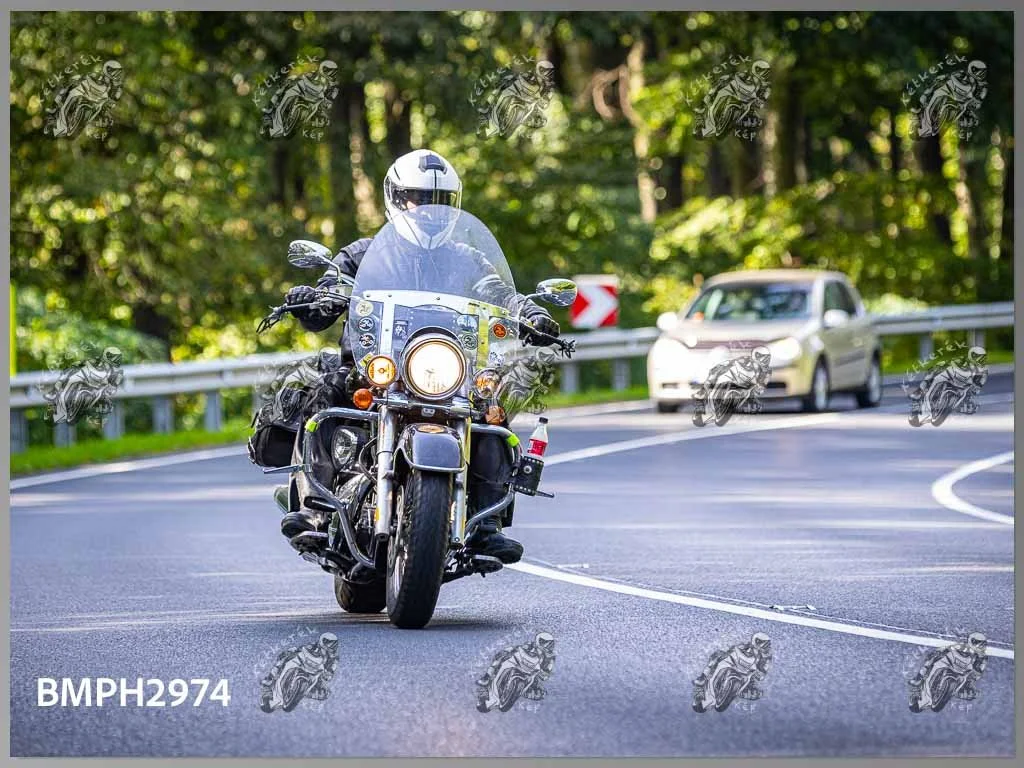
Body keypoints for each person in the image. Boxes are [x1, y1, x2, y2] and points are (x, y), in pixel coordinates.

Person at [278, 149, 560, 565]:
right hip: (373, 369)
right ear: (396, 198)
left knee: (491, 411)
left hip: (450, 372)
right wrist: (314, 299)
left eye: (439, 201)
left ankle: (486, 524)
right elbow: (329, 293)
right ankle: (313, 508)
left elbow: (501, 293)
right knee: (325, 393)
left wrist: (531, 314)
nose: (428, 210)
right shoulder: (362, 254)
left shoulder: (467, 259)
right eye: (418, 198)